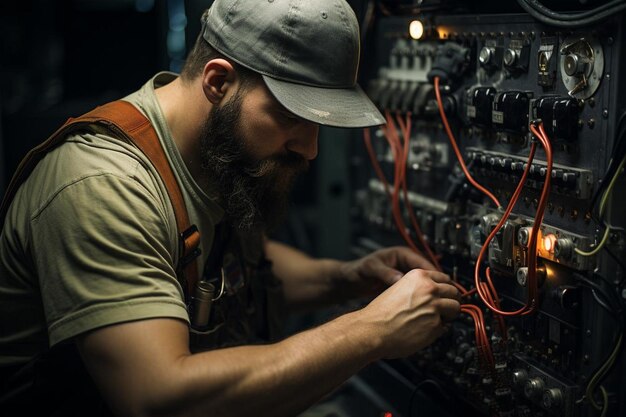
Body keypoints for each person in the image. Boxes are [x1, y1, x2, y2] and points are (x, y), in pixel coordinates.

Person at [0, 0, 461, 416]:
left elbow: (226, 269)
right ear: (218, 81)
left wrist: (345, 279)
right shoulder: (101, 185)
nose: (311, 149)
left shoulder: (218, 155)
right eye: (293, 116)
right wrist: (372, 330)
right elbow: (158, 399)